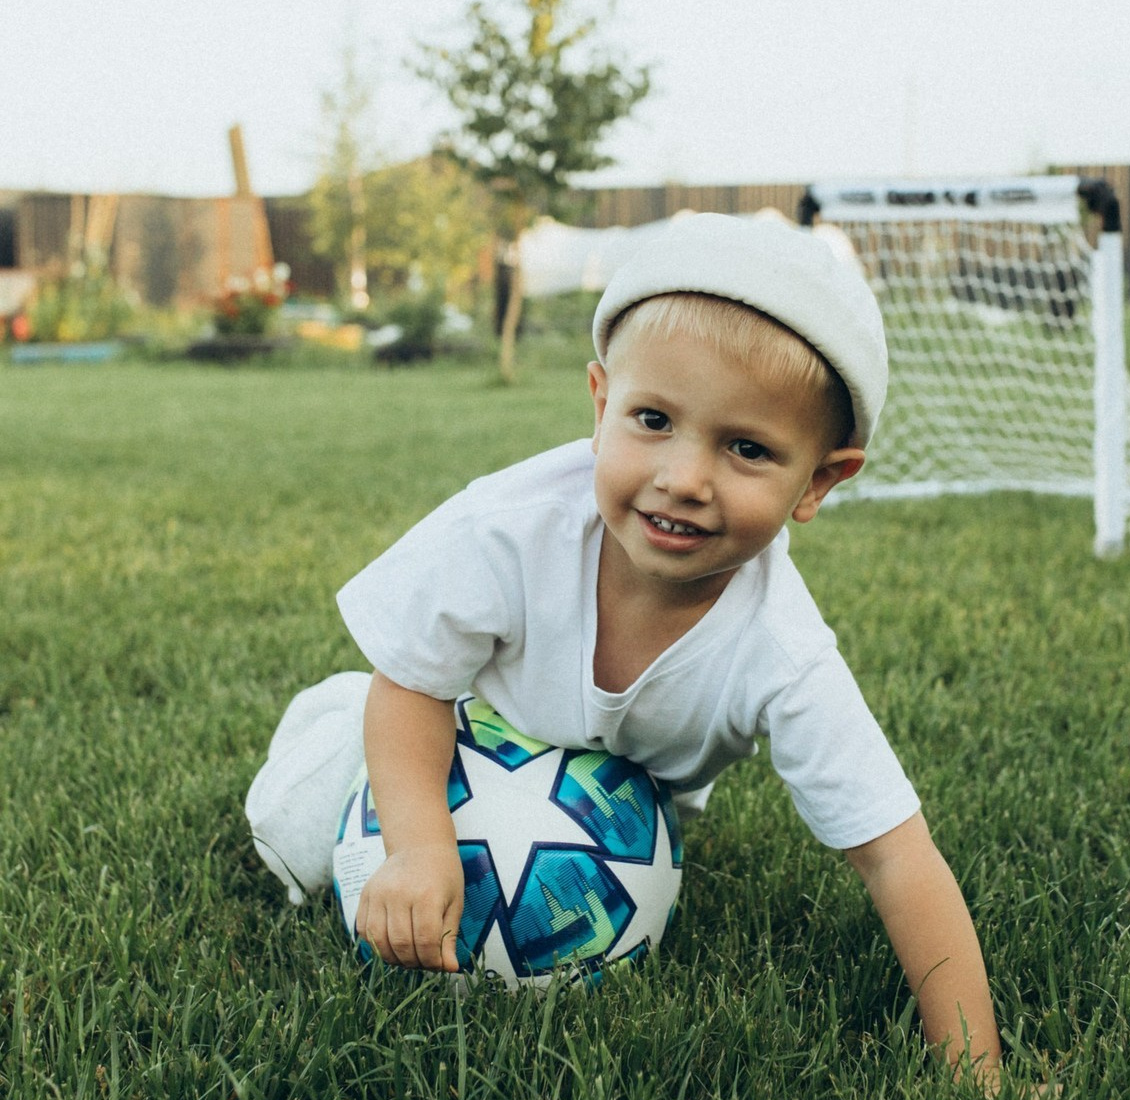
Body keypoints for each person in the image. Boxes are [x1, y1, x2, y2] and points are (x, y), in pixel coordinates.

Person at [247, 212, 1002, 1085]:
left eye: (748, 448)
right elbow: (412, 685)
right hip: (452, 728)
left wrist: (976, 1074)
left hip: (611, 804)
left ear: (820, 481)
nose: (684, 478)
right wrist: (417, 848)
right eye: (653, 419)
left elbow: (895, 852)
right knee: (302, 845)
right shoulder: (512, 528)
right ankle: (326, 728)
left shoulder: (781, 653)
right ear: (602, 404)